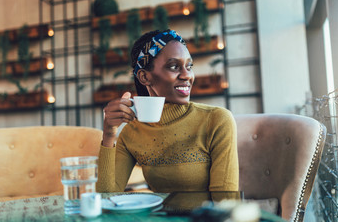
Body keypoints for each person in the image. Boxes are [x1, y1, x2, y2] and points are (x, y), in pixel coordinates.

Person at [97, 29, 238, 193]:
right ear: (144, 77)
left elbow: (226, 203)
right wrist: (108, 133)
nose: (187, 75)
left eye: (189, 66)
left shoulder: (217, 120)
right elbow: (106, 198)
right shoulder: (132, 132)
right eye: (174, 66)